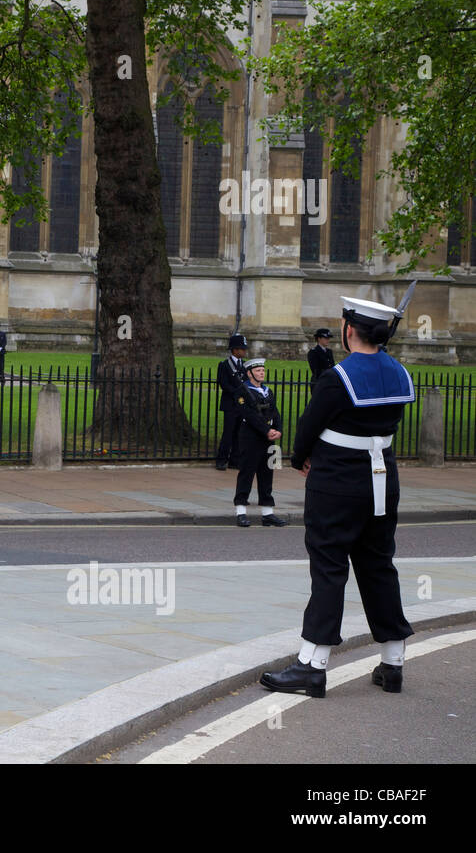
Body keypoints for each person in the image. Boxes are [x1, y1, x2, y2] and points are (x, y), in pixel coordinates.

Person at [260, 295, 416, 699]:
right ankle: (393, 661)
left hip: (337, 482)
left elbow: (309, 426)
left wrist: (301, 458)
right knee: (379, 566)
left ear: (349, 329)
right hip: (384, 479)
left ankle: (312, 666)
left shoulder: (337, 377)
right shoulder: (399, 372)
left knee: (329, 568)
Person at [232, 358, 287, 528]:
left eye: (263, 370)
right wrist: (266, 430)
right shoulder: (242, 391)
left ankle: (267, 513)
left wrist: (278, 429)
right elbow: (249, 415)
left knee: (267, 474)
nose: (261, 373)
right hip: (251, 438)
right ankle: (241, 511)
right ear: (249, 373)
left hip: (269, 439)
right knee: (246, 473)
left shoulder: (267, 391)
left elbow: (275, 412)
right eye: (257, 371)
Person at [215, 333, 248, 470]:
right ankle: (222, 460)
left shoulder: (244, 365)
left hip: (241, 405)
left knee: (239, 434)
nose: (244, 351)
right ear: (234, 349)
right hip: (230, 404)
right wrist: (237, 393)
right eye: (242, 349)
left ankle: (235, 460)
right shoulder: (224, 365)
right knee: (228, 433)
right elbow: (223, 383)